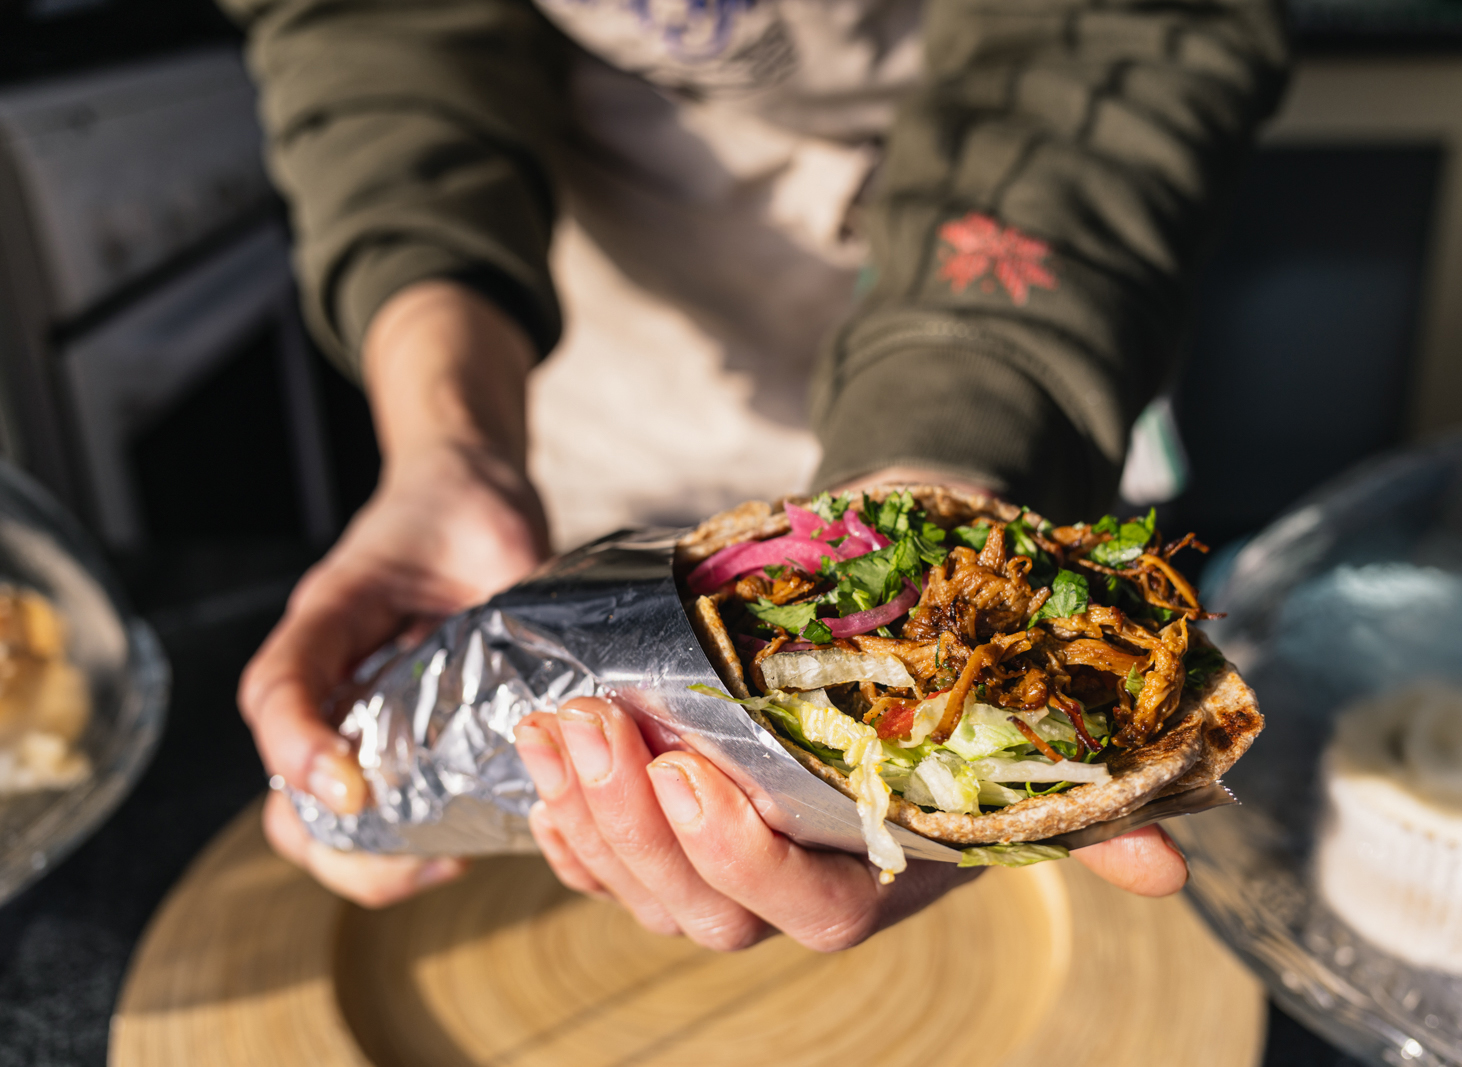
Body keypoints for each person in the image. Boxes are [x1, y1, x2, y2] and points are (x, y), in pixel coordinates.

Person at [223, 0, 1289, 948]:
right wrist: (448, 439)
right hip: (606, 314)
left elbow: (1114, 33)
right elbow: (374, 31)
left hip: (1025, 282)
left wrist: (960, 441)